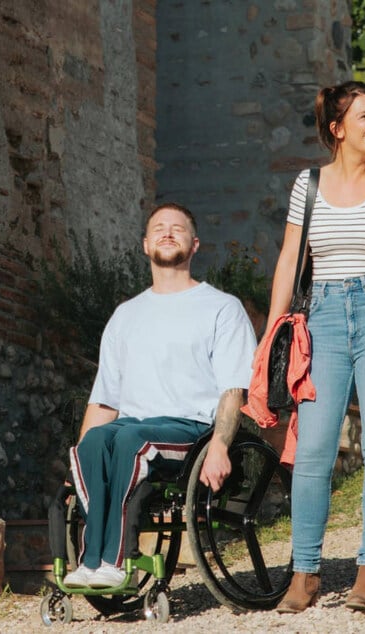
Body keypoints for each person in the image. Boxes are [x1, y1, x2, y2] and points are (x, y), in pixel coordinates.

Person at [268, 80, 365, 614]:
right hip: (326, 318)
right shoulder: (306, 184)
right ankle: (305, 574)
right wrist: (272, 333)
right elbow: (290, 259)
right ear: (337, 130)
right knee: (313, 448)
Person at [63, 202, 257, 588]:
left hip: (191, 429)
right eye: (159, 228)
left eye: (178, 228)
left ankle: (114, 562)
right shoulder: (125, 316)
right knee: (91, 443)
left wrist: (219, 445)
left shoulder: (221, 308)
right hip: (132, 429)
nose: (168, 233)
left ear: (195, 244)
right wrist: (81, 466)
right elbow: (104, 400)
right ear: (145, 245)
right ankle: (90, 564)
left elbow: (233, 389)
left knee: (131, 440)